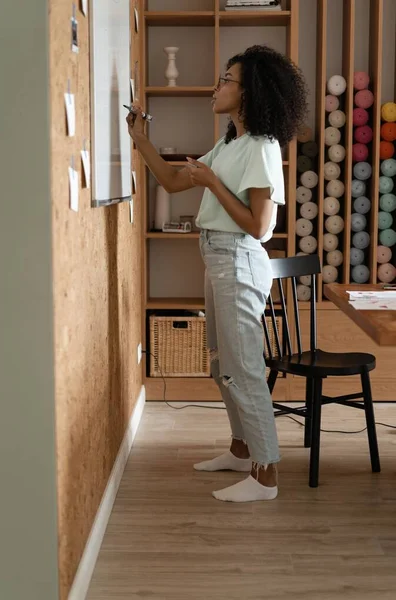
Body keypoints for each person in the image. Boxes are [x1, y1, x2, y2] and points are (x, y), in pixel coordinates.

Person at [127, 45, 308, 502]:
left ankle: (266, 477)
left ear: (250, 92)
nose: (217, 86)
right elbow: (170, 182)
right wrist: (140, 139)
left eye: (226, 79)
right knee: (220, 365)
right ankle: (241, 449)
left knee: (244, 368)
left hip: (240, 258)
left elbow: (261, 226)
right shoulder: (230, 144)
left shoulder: (263, 148)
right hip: (217, 257)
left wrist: (212, 183)